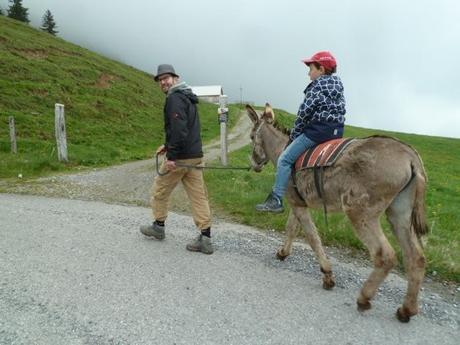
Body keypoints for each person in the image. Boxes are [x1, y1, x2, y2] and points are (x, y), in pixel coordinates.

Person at [256, 51, 346, 213]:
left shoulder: (316, 87)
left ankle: (276, 199)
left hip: (317, 132)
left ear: (321, 70)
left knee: (284, 159)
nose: (308, 73)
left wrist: (294, 135)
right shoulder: (338, 86)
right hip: (336, 132)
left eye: (311, 68)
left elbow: (304, 113)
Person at [140, 64, 214, 254]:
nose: (163, 82)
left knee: (160, 190)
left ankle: (158, 227)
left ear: (176, 78)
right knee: (199, 197)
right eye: (160, 79)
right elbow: (184, 128)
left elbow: (179, 129)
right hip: (196, 157)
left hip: (180, 158)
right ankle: (206, 238)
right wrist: (167, 145)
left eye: (166, 78)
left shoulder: (174, 98)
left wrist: (171, 156)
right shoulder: (187, 96)